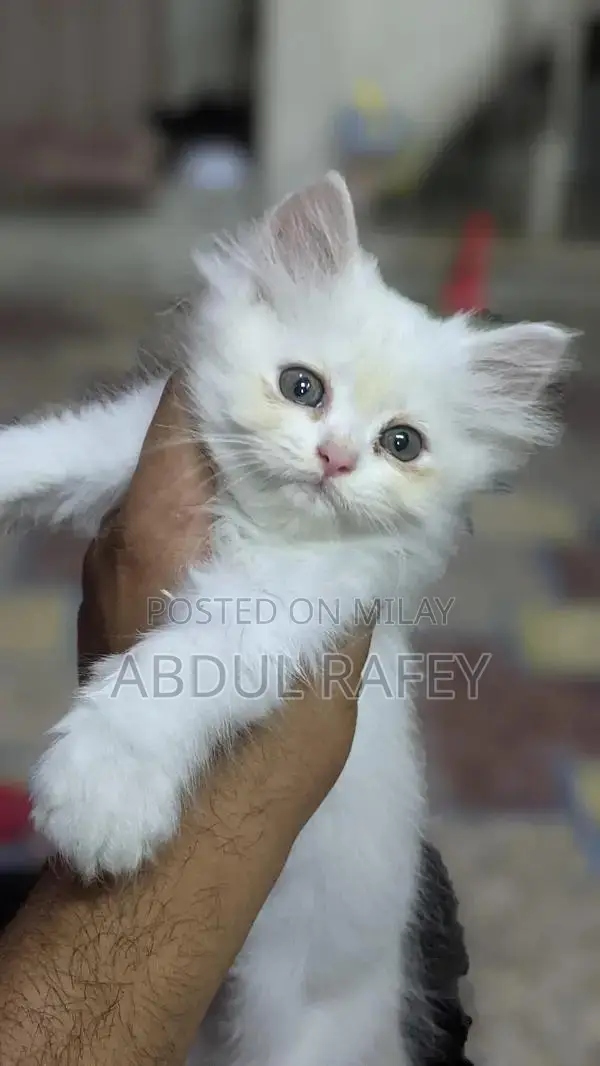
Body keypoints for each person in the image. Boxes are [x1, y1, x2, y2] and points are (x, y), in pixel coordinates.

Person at [0, 376, 472, 1066]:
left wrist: (128, 733)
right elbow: (80, 450)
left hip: (319, 960)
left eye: (398, 443)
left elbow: (252, 630)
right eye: (304, 388)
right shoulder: (214, 403)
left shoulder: (343, 558)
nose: (337, 452)